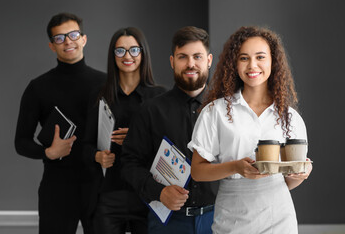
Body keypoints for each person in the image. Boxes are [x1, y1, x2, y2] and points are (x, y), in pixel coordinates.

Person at [188, 26, 313, 234]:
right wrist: (236, 167)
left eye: (260, 57)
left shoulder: (290, 117)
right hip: (232, 219)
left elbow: (287, 182)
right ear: (234, 64)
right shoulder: (215, 112)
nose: (252, 65)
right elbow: (197, 171)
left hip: (280, 218)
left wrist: (299, 175)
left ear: (273, 61)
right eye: (244, 58)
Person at [14, 12, 106, 234]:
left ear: (83, 39)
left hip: (98, 185)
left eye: (73, 35)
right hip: (57, 187)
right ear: (51, 46)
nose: (68, 41)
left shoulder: (106, 83)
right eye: (59, 38)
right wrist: (48, 152)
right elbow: (21, 142)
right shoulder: (38, 87)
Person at [121, 26, 218, 234]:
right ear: (172, 61)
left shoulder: (226, 110)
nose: (190, 64)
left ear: (209, 60)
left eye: (197, 56)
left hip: (219, 219)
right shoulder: (150, 111)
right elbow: (129, 163)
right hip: (168, 222)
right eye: (183, 57)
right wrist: (159, 192)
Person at [82, 27, 166, 234]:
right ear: (113, 55)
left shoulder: (160, 97)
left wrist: (136, 138)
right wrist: (97, 155)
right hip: (109, 195)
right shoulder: (99, 96)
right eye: (120, 51)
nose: (127, 56)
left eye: (134, 50)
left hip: (148, 195)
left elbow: (170, 148)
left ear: (143, 53)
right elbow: (84, 145)